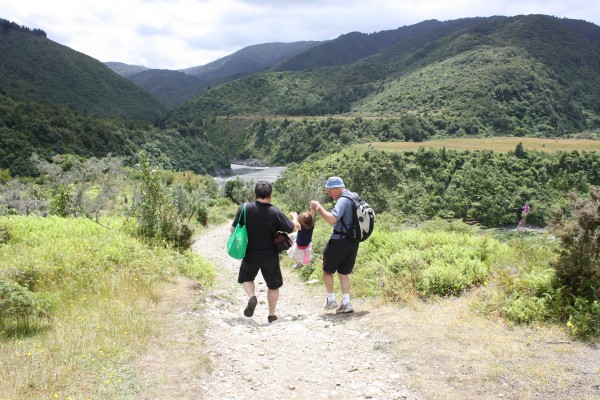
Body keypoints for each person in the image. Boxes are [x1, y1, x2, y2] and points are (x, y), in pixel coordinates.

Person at [230, 180, 298, 323]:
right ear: (270, 196)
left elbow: (233, 230)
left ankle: (252, 297)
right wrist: (295, 217)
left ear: (255, 194)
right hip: (270, 255)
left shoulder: (244, 208)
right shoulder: (275, 211)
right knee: (273, 285)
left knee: (246, 278)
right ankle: (272, 315)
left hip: (250, 253)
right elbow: (293, 228)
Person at [310, 176, 359, 314]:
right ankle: (346, 302)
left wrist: (319, 208)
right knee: (343, 272)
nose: (329, 194)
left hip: (339, 240)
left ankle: (331, 300)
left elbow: (332, 219)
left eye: (329, 191)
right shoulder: (354, 196)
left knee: (327, 271)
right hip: (353, 241)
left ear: (336, 188)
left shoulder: (343, 200)